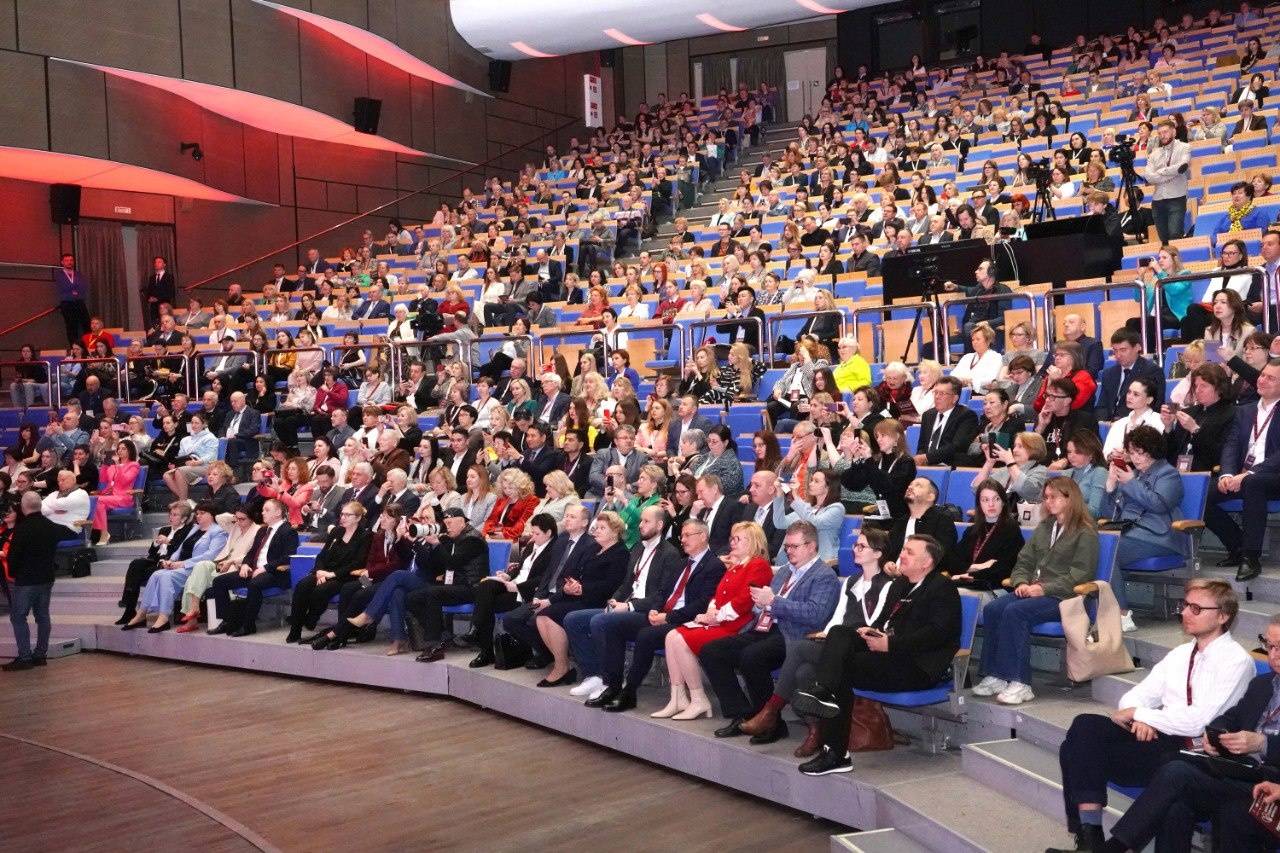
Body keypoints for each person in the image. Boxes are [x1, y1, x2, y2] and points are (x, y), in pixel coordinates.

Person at [1049, 580, 1254, 853]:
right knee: (1085, 726)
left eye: (1196, 608)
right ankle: (1090, 839)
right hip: (1160, 739)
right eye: (1185, 605)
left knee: (1074, 748)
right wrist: (1141, 719)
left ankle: (1092, 842)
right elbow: (1133, 698)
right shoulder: (1181, 654)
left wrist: (1141, 715)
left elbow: (1199, 722)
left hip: (1193, 753)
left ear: (1222, 616)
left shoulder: (1236, 661)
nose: (1185, 613)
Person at [1098, 613, 1280, 853]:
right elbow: (1230, 717)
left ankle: (1114, 848)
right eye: (1269, 645)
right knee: (1176, 800)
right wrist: (1216, 734)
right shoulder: (1263, 684)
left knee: (1178, 773)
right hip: (1243, 772)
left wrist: (1263, 743)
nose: (1273, 654)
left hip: (1273, 784)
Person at [791, 533, 961, 776]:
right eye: (903, 549)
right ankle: (824, 693)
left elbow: (937, 635)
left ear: (927, 562)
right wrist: (872, 632)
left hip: (917, 666)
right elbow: (884, 622)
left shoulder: (942, 588)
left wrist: (890, 644)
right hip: (888, 655)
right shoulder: (900, 585)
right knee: (840, 633)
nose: (901, 555)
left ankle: (835, 752)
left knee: (840, 669)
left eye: (909, 552)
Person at [740, 527, 893, 756]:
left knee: (799, 647)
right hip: (837, 644)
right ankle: (815, 730)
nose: (855, 549)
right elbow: (838, 618)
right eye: (855, 545)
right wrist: (827, 634)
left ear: (878, 553)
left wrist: (836, 635)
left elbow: (874, 623)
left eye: (862, 546)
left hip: (861, 647)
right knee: (803, 672)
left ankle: (771, 710)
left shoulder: (887, 584)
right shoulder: (851, 581)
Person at [699, 520, 840, 742]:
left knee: (752, 656)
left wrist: (774, 602)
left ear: (812, 546)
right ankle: (743, 713)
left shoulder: (824, 575)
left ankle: (771, 724)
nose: (789, 551)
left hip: (794, 635)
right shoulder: (783, 572)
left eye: (794, 546)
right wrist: (759, 603)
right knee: (711, 651)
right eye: (787, 546)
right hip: (764, 627)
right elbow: (765, 605)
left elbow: (816, 614)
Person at [579, 515, 726, 713]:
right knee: (612, 625)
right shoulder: (683, 563)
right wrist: (655, 609)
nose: (682, 540)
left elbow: (701, 604)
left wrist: (668, 617)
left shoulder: (714, 565)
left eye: (687, 535)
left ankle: (629, 692)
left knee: (646, 636)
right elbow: (663, 592)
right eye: (682, 536)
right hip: (662, 614)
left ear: (702, 536)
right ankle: (613, 686)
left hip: (684, 620)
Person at [974, 478, 1099, 706]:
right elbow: (1024, 560)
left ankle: (1021, 682)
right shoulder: (1045, 527)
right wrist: (1021, 582)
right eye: (1046, 497)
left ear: (1070, 498)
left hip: (1066, 597)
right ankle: (997, 675)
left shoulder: (1085, 532)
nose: (1048, 502)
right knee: (993, 609)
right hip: (1035, 590)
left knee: (1016, 612)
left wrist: (1043, 588)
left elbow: (1080, 575)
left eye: (1054, 497)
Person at [530, 510, 631, 687]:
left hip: (598, 600)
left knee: (552, 617)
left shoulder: (620, 553)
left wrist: (582, 589)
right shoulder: (594, 548)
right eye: (596, 527)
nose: (597, 531)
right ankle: (562, 664)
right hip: (580, 596)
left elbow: (611, 585)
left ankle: (565, 668)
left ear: (615, 532)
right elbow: (575, 572)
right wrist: (570, 585)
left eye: (602, 528)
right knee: (542, 616)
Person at [1204, 358, 1280, 581]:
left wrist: (1248, 474)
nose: (1262, 380)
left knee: (1253, 483)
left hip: (1272, 476)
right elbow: (1232, 444)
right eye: (1262, 375)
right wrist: (1227, 473)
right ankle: (1236, 545)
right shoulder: (1244, 411)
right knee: (1202, 492)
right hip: (1242, 475)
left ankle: (1251, 557)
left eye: (1271, 378)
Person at [463, 512, 562, 668]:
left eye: (537, 533)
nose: (533, 537)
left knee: (486, 604)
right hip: (514, 584)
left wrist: (518, 587)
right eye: (532, 532)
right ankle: (478, 635)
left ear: (549, 532)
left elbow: (544, 578)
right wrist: (508, 575)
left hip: (527, 592)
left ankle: (482, 644)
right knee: (485, 586)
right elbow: (522, 568)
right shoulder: (532, 545)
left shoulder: (555, 549)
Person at [402, 506, 490, 661]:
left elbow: (452, 563)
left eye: (450, 523)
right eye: (445, 523)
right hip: (455, 585)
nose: (446, 527)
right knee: (412, 597)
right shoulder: (452, 538)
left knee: (433, 593)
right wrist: (420, 543)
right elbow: (435, 564)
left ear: (462, 522)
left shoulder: (473, 539)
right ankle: (442, 635)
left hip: (472, 587)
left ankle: (434, 645)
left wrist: (437, 544)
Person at [123, 503, 227, 633]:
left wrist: (183, 563)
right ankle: (141, 613)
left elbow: (210, 556)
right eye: (197, 513)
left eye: (202, 513)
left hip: (198, 568)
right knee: (157, 574)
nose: (198, 516)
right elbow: (181, 547)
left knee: (166, 576)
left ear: (212, 515)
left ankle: (164, 617)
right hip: (182, 565)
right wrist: (171, 560)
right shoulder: (195, 529)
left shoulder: (218, 532)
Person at [206, 498, 299, 637]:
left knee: (254, 584)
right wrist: (245, 564)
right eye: (263, 510)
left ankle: (248, 625)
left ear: (278, 512)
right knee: (219, 581)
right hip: (254, 570)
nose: (263, 513)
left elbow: (288, 557)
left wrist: (265, 568)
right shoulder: (263, 530)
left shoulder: (289, 531)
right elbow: (251, 552)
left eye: (267, 510)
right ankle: (227, 621)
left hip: (275, 573)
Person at [284, 501, 372, 643]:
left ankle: (311, 618)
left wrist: (332, 575)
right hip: (325, 572)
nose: (343, 517)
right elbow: (322, 555)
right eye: (342, 514)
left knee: (321, 590)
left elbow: (358, 562)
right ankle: (295, 629)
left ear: (358, 518)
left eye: (347, 515)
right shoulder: (337, 531)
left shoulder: (365, 535)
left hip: (345, 576)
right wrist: (319, 571)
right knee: (302, 586)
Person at [2, 492, 66, 671]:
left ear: (23, 507)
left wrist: (13, 573)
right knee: (43, 615)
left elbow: (14, 556)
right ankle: (40, 654)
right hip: (46, 577)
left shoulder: (22, 529)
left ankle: (25, 657)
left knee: (18, 616)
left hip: (26, 579)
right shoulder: (51, 526)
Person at [176, 507, 260, 632]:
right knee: (201, 565)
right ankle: (194, 607)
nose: (239, 522)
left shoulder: (257, 530)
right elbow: (219, 518)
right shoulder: (235, 527)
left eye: (242, 519)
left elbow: (252, 555)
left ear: (251, 518)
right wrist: (234, 517)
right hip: (221, 563)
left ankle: (192, 616)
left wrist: (232, 561)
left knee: (192, 579)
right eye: (237, 519)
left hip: (236, 566)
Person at [946, 480, 1024, 594]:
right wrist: (978, 567)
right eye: (985, 500)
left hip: (995, 587)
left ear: (1003, 502)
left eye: (996, 499)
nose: (991, 504)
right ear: (979, 504)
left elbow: (1003, 569)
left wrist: (968, 575)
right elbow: (952, 562)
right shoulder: (972, 531)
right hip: (967, 583)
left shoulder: (1011, 529)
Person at [1095, 329, 1165, 422]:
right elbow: (1102, 406)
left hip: (1137, 423)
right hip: (1109, 424)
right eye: (1115, 350)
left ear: (1137, 347)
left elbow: (1154, 405)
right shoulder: (1109, 373)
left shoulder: (1151, 371)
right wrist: (1103, 423)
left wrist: (1122, 423)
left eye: (1123, 350)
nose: (1118, 355)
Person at [1141, 119, 1191, 244]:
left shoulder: (1185, 147)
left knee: (1175, 235)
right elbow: (1148, 176)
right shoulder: (1154, 153)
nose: (1162, 135)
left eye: (1165, 132)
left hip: (1177, 198)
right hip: (1158, 201)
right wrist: (1171, 172)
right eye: (1159, 133)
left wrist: (1160, 172)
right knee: (1164, 239)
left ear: (1174, 132)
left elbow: (1181, 167)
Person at [914, 376, 981, 467]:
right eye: (935, 392)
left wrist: (927, 457)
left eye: (942, 393)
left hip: (949, 465)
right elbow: (922, 446)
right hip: (926, 464)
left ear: (955, 398)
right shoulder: (928, 415)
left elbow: (957, 446)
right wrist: (920, 459)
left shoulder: (966, 416)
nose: (937, 397)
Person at [161, 412, 218, 503]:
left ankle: (182, 502)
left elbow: (211, 455)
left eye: (196, 423)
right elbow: (180, 455)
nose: (193, 425)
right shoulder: (185, 440)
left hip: (205, 466)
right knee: (166, 475)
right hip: (188, 465)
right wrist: (175, 464)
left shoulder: (210, 437)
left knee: (180, 471)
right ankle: (186, 501)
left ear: (204, 424)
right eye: (192, 423)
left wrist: (198, 462)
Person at [90, 440, 139, 545]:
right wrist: (105, 464)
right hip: (110, 496)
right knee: (94, 501)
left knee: (99, 501)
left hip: (124, 497)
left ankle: (103, 534)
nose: (120, 451)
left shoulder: (134, 465)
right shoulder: (112, 467)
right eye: (119, 448)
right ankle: (99, 533)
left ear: (130, 451)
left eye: (123, 448)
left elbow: (125, 481)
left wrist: (118, 465)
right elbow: (103, 480)